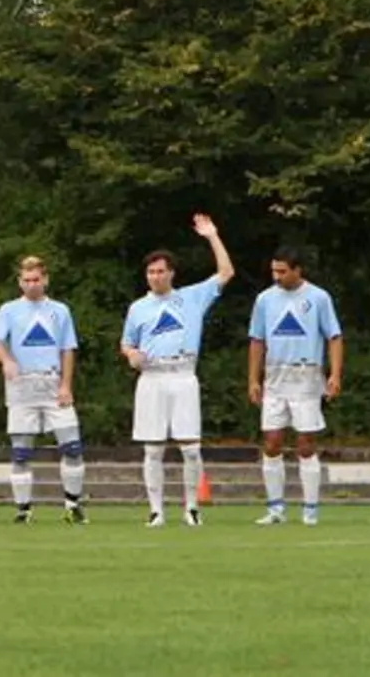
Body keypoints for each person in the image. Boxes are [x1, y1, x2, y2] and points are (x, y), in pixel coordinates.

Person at [120, 214, 234, 528]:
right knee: (153, 448)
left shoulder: (191, 297)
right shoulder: (138, 308)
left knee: (191, 448)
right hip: (152, 377)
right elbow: (127, 342)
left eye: (160, 271)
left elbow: (226, 273)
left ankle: (192, 508)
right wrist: (131, 354)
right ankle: (156, 510)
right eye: (151, 272)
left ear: (171, 273)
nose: (155, 277)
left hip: (183, 374)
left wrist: (212, 236)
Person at [0, 256, 88, 525]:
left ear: (45, 280)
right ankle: (24, 510)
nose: (32, 284)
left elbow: (67, 349)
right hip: (22, 385)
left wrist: (66, 385)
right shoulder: (9, 310)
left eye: (36, 279)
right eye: (27, 280)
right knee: (21, 451)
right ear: (20, 282)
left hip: (52, 382)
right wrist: (6, 360)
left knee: (72, 446)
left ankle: (73, 505)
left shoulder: (60, 310)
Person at [250, 247, 344, 527]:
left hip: (306, 375)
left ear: (297, 270)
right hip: (275, 376)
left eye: (282, 271)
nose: (277, 276)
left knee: (305, 443)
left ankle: (310, 509)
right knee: (271, 442)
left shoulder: (318, 297)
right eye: (274, 271)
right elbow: (256, 340)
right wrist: (253, 379)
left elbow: (334, 336)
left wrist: (335, 374)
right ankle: (275, 509)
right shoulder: (265, 299)